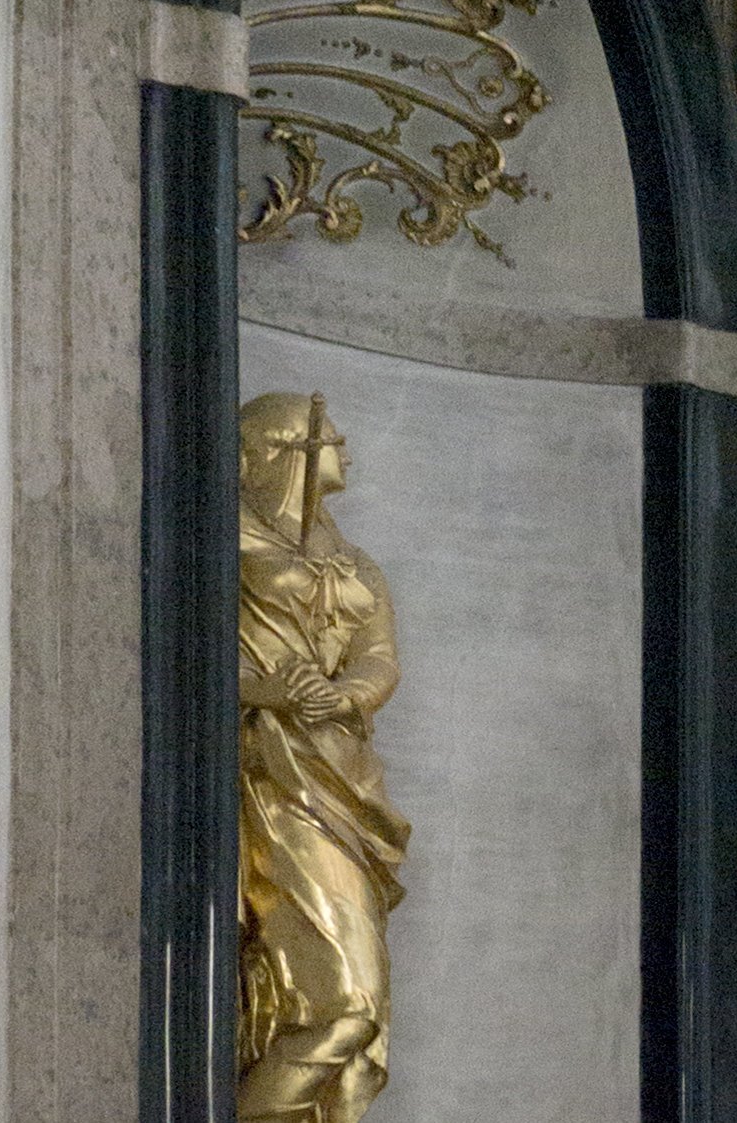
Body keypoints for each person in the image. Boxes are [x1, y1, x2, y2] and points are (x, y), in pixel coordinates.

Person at [238, 393, 409, 1123]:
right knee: (345, 1002)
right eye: (333, 438)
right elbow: (179, 655)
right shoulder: (223, 541)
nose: (347, 450)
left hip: (342, 777)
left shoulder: (355, 562)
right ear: (285, 451)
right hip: (272, 775)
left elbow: (380, 657)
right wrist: (265, 690)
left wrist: (343, 697)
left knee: (358, 1014)